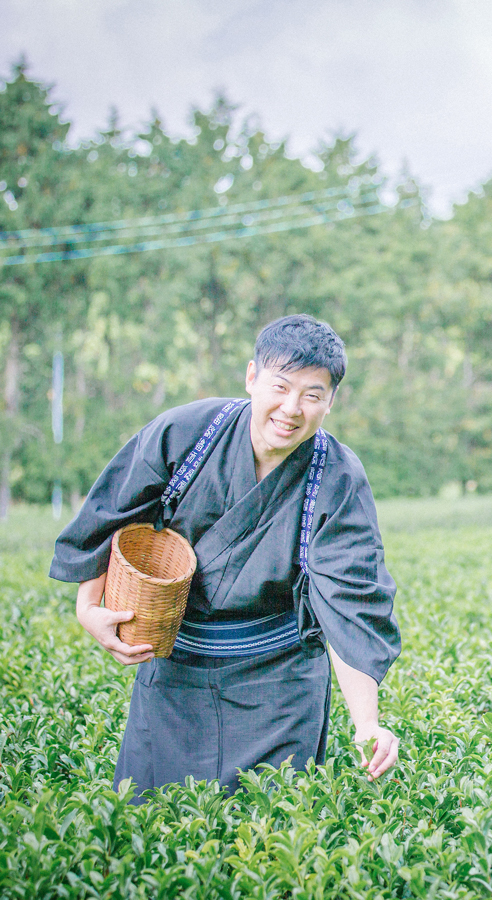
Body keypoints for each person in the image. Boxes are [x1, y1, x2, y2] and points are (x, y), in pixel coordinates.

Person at [49, 314, 401, 799]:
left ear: (331, 401)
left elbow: (350, 599)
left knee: (268, 840)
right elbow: (112, 515)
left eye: (312, 395)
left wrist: (368, 725)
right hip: (176, 670)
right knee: (152, 828)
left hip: (281, 687)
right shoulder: (186, 433)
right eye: (280, 386)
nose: (292, 408)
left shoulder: (337, 476)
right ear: (252, 377)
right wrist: (88, 607)